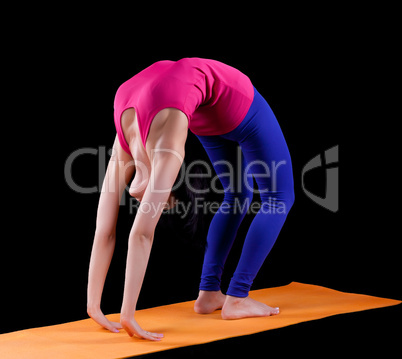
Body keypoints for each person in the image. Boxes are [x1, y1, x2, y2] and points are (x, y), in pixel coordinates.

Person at [87, 58, 295, 341]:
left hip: (230, 102)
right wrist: (94, 305)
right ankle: (231, 297)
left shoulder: (147, 140)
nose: (148, 201)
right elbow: (105, 228)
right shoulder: (135, 135)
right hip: (210, 109)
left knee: (258, 195)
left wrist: (127, 313)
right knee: (270, 198)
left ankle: (215, 294)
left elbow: (140, 234)